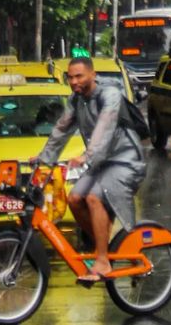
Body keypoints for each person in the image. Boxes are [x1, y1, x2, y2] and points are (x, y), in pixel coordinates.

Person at [32, 55, 146, 282]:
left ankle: (103, 260)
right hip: (101, 162)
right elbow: (61, 128)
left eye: (79, 76)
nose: (74, 82)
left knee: (94, 197)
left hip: (125, 159)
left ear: (93, 75)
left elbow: (104, 127)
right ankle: (106, 246)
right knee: (74, 198)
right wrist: (44, 158)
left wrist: (87, 155)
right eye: (70, 77)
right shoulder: (76, 100)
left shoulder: (109, 94)